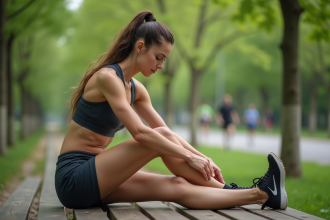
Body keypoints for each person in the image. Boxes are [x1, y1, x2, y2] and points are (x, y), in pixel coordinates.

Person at [55, 11, 288, 210]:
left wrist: (203, 157)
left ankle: (262, 195)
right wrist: (189, 157)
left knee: (177, 186)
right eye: (158, 57)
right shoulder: (107, 78)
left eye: (165, 59)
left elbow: (165, 130)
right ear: (140, 47)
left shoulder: (136, 89)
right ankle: (234, 189)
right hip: (74, 178)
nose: (161, 65)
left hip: (101, 175)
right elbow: (142, 134)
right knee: (161, 140)